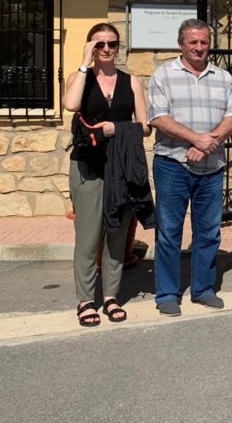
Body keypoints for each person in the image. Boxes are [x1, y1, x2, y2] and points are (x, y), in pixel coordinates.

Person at [148, 19, 232, 316]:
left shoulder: (223, 77)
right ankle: (167, 293)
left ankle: (202, 289)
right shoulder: (164, 74)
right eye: (193, 42)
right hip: (172, 165)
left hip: (212, 167)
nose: (199, 47)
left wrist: (208, 141)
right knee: (169, 232)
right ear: (181, 44)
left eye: (204, 42)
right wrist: (195, 139)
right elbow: (159, 118)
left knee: (209, 232)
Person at [62, 22, 151, 327]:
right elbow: (70, 104)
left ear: (118, 47)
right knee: (88, 237)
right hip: (88, 166)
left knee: (117, 235)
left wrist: (119, 129)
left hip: (122, 167)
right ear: (90, 46)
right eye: (99, 44)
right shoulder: (79, 78)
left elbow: (145, 126)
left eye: (112, 44)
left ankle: (111, 297)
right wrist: (84, 63)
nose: (106, 50)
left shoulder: (131, 82)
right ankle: (86, 300)